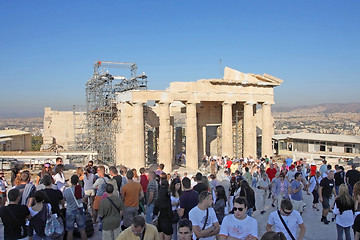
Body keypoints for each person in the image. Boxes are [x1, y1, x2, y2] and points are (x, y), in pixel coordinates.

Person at [63, 175, 87, 240]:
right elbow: (84, 198)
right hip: (79, 210)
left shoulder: (66, 191)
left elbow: (64, 199)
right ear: (77, 181)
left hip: (70, 211)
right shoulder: (80, 189)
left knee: (70, 231)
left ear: (71, 181)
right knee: (82, 230)